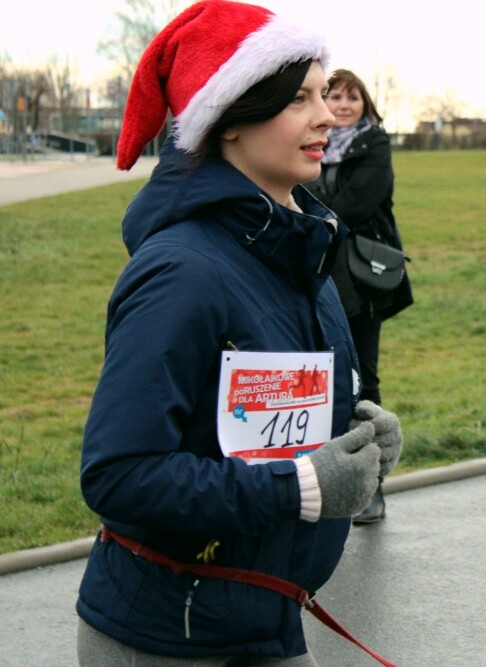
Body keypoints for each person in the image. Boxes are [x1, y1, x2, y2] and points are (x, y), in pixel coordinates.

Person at [75, 2, 402, 664]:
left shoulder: (303, 246)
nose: (326, 115)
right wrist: (302, 486)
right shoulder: (182, 271)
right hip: (167, 634)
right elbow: (119, 474)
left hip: (267, 617)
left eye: (325, 92)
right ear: (228, 123)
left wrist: (356, 446)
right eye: (299, 98)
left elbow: (260, 427)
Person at [305, 68, 413, 525]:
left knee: (361, 380)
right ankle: (318, 479)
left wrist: (309, 211)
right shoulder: (312, 142)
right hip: (314, 270)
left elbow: (357, 203)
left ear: (365, 104)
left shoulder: (374, 144)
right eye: (335, 96)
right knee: (315, 378)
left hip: (360, 278)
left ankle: (371, 487)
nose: (344, 105)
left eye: (352, 97)